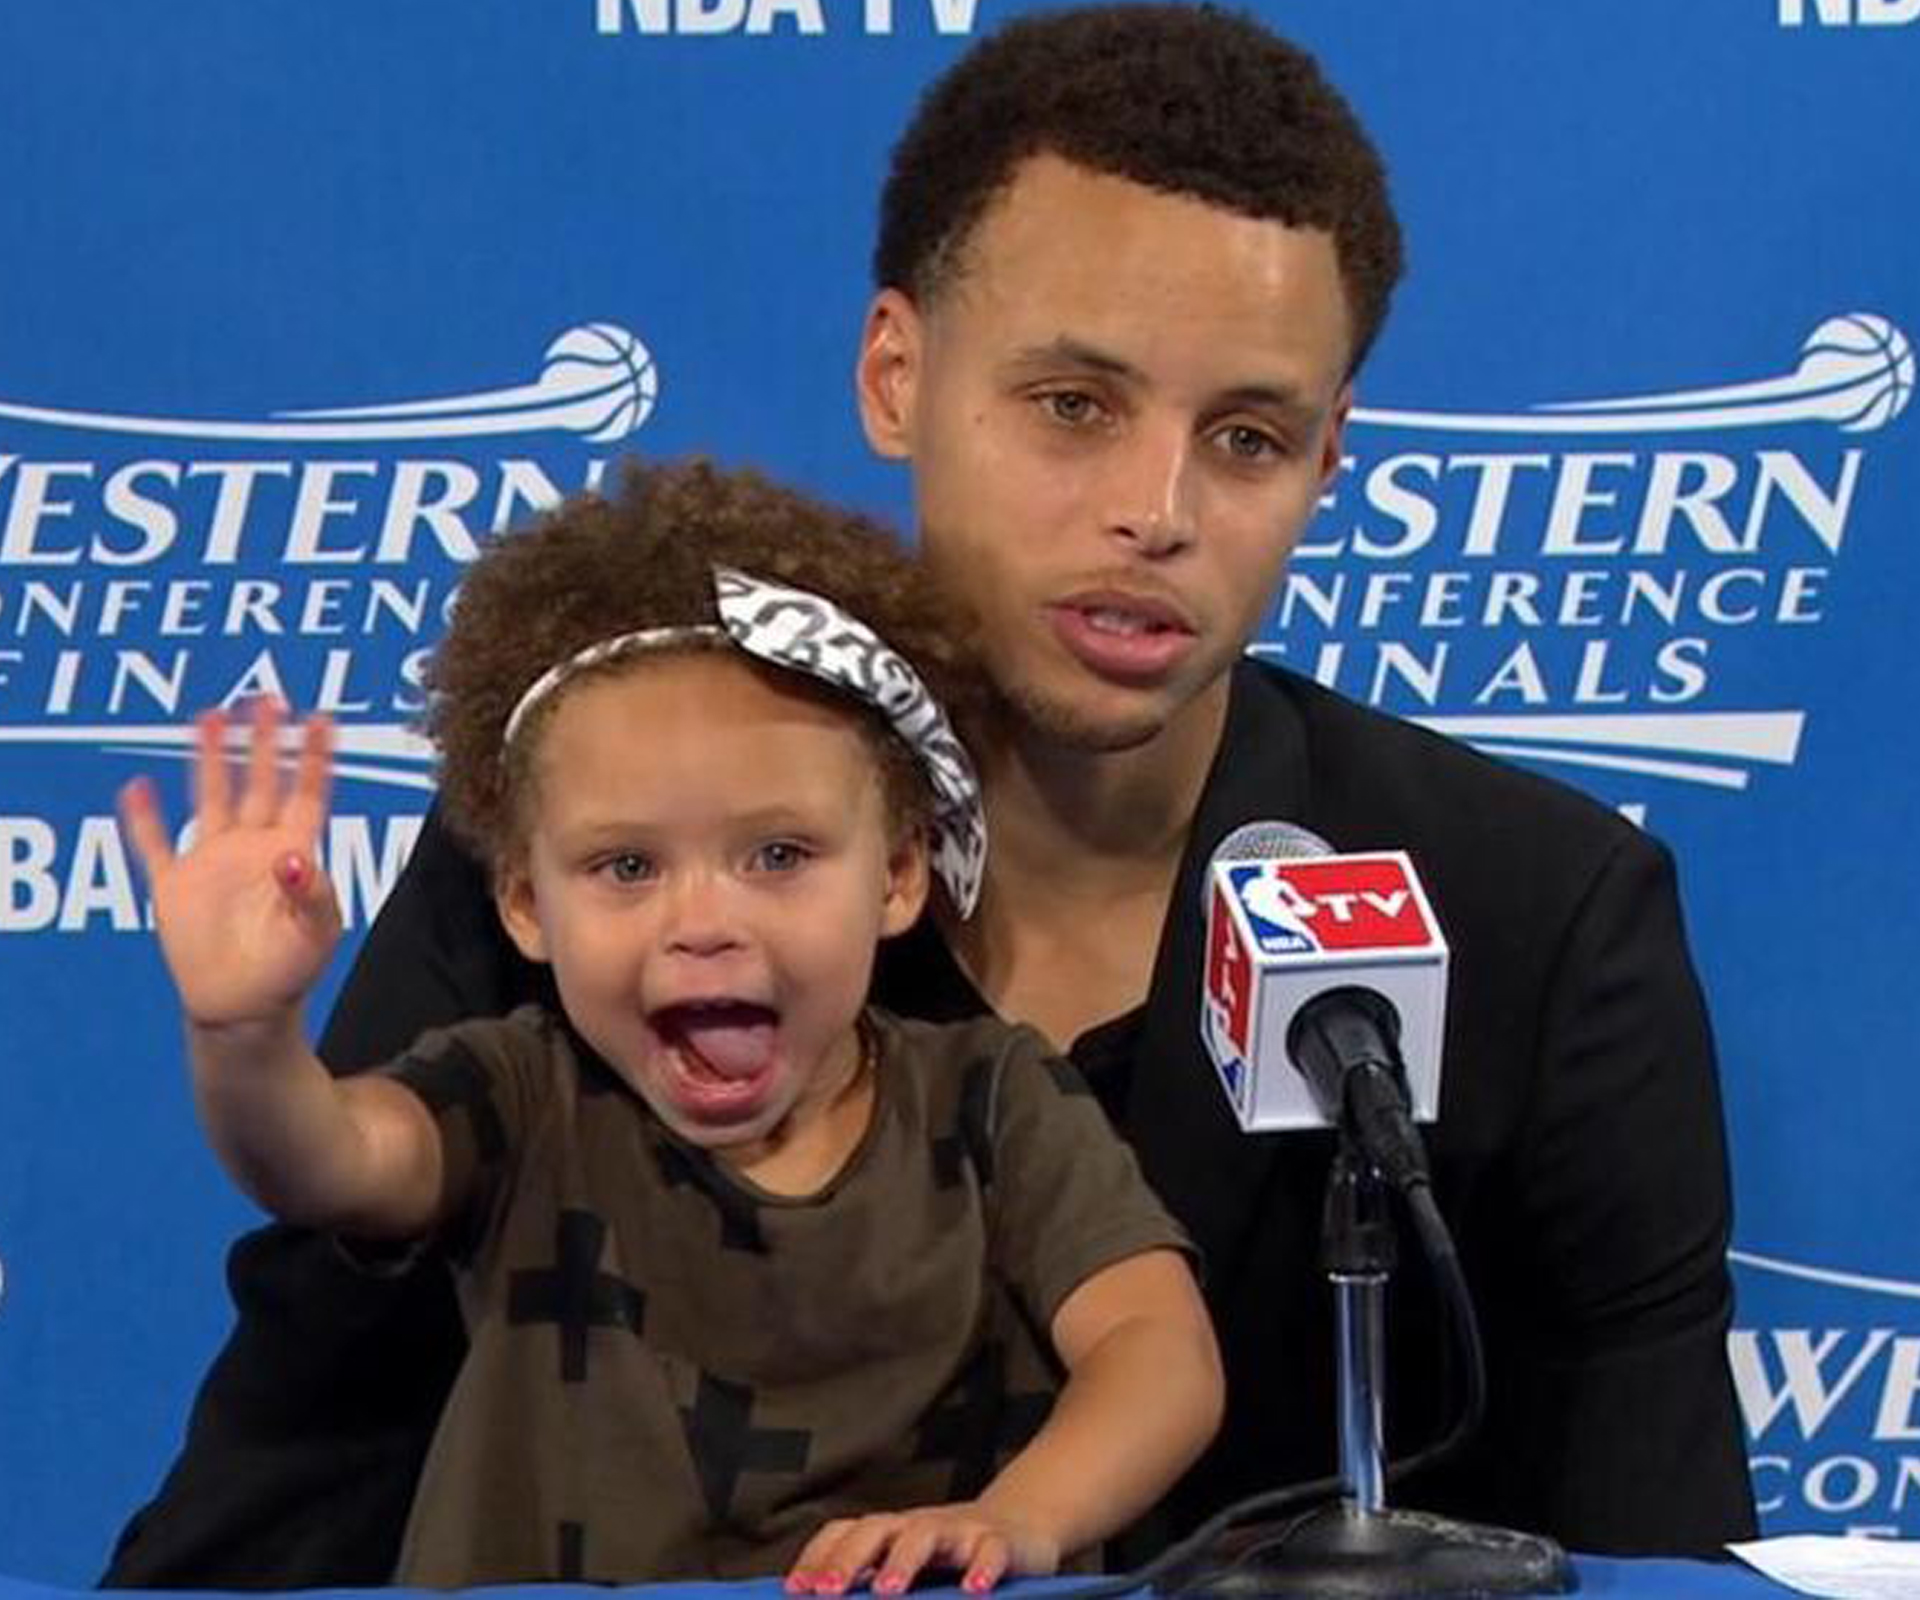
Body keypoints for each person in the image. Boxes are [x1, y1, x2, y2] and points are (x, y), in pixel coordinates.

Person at [103, 4, 1757, 1586]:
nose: (1154, 512)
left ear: (1330, 464)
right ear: (895, 375)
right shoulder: (584, 855)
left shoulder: (1539, 918)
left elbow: (1659, 1545)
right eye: (1072, 406)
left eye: (1246, 438)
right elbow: (296, 1472)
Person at [115, 461, 1222, 1588]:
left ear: (898, 873)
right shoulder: (521, 1097)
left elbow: (1158, 1352)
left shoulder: (995, 1101)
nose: (703, 922)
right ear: (522, 903)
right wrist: (245, 1033)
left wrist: (1016, 1520)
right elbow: (326, 1160)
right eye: (627, 865)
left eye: (779, 855)